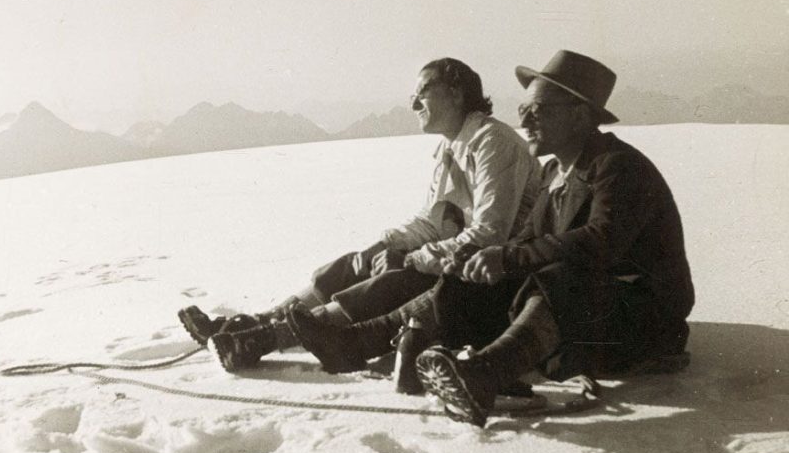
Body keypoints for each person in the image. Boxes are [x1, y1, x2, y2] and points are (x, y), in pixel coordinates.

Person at [288, 50, 695, 427]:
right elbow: (525, 241)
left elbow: (599, 242)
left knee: (557, 274)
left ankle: (487, 374)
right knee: (473, 276)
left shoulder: (618, 168)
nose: (526, 122)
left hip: (643, 322)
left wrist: (508, 258)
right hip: (583, 315)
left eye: (538, 111)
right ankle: (356, 341)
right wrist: (477, 262)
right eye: (523, 110)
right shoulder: (556, 174)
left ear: (580, 116)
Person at [180, 57, 541, 372]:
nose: (415, 102)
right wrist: (383, 246)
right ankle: (253, 324)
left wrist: (411, 258)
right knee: (355, 264)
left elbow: (490, 233)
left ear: (457, 92)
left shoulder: (493, 142)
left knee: (394, 280)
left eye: (424, 91)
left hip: (491, 275)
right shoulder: (451, 148)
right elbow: (431, 221)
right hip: (459, 257)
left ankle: (263, 339)